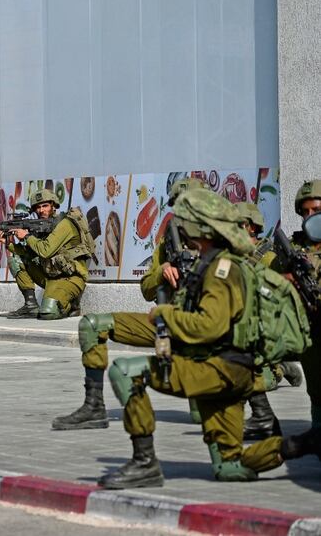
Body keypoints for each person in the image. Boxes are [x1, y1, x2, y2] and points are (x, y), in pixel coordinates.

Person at [99, 189, 320, 489]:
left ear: (200, 228)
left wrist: (165, 314)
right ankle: (303, 443)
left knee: (125, 372)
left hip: (220, 370)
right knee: (231, 467)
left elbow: (209, 326)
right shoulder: (217, 262)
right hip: (233, 372)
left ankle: (144, 464)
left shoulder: (221, 269)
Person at [51, 177, 207, 430]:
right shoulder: (169, 245)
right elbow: (146, 289)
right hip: (168, 322)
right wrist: (162, 271)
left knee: (202, 415)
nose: (185, 214)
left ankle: (269, 375)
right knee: (92, 325)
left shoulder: (223, 243)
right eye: (179, 207)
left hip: (205, 333)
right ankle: (94, 407)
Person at [237, 202, 303, 440]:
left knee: (255, 380)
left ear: (249, 227)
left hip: (268, 332)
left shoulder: (268, 257)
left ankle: (281, 368)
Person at [271, 180, 321, 448]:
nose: (310, 217)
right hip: (307, 331)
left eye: (316, 210)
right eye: (305, 212)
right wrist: (283, 280)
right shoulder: (292, 248)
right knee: (316, 390)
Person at [0, 189, 92, 321]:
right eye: (38, 207)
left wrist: (27, 236)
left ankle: (71, 304)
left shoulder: (65, 224)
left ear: (54, 206)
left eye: (45, 206)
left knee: (48, 313)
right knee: (16, 259)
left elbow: (45, 250)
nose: (41, 210)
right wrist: (9, 244)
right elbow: (29, 254)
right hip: (50, 276)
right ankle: (30, 305)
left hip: (70, 278)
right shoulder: (42, 227)